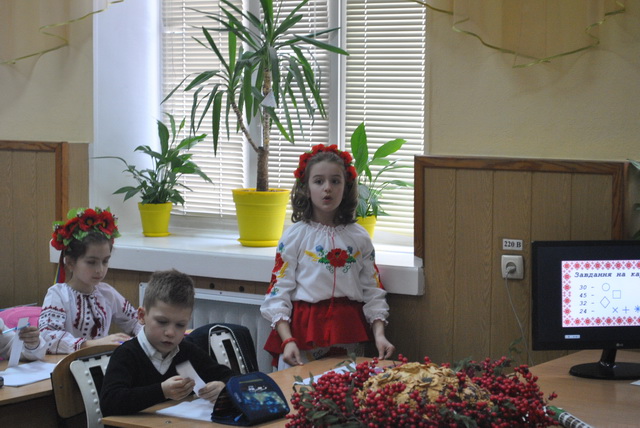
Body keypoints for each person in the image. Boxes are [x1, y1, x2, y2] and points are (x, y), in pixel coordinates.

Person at [260, 144, 395, 370]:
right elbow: (278, 291)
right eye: (319, 181)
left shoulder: (359, 237)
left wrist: (379, 334)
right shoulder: (295, 236)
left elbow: (373, 289)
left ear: (346, 187)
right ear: (306, 188)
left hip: (347, 330)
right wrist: (287, 339)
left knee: (343, 387)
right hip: (303, 333)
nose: (327, 189)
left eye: (335, 181)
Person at [100, 269, 234, 416]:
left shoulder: (187, 351)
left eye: (180, 325)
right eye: (162, 322)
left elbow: (232, 377)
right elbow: (110, 403)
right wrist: (162, 391)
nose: (170, 332)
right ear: (142, 316)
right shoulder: (127, 354)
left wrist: (223, 386)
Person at [39, 207, 141, 354]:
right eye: (91, 262)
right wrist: (92, 344)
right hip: (67, 364)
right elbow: (48, 337)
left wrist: (145, 337)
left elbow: (135, 321)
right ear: (70, 263)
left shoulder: (107, 293)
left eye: (105, 261)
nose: (100, 269)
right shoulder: (58, 294)